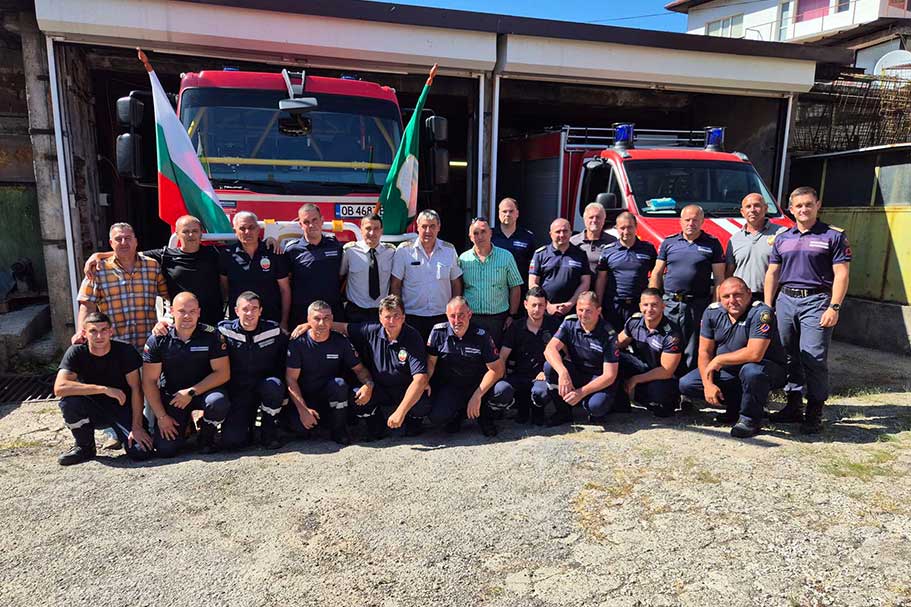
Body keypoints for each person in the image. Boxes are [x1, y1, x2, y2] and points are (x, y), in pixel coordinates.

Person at [764, 186, 851, 434]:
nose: (804, 209)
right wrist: (768, 305)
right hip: (786, 300)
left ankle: (814, 412)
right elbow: (772, 273)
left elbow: (841, 274)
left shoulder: (833, 236)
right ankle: (793, 405)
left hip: (816, 301)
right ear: (791, 209)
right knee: (788, 355)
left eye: (808, 204)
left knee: (813, 357)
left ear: (817, 205)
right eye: (799, 206)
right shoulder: (783, 238)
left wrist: (834, 306)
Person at [290, 295, 430, 440]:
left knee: (422, 402)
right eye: (387, 317)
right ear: (380, 318)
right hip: (379, 387)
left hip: (404, 387)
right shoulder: (371, 330)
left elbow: (420, 379)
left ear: (404, 317)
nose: (392, 321)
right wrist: (310, 325)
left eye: (396, 316)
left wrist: (400, 411)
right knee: (358, 395)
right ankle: (377, 427)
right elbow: (343, 327)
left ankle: (412, 423)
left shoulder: (412, 336)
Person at [679, 277, 787, 438]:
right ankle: (735, 408)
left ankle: (750, 420)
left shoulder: (761, 313)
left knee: (751, 372)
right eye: (726, 296)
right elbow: (704, 352)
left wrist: (719, 360)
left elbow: (755, 354)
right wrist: (708, 384)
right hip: (730, 371)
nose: (732, 300)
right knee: (688, 384)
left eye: (737, 295)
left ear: (749, 293)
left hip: (765, 369)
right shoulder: (712, 312)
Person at [83, 215, 224, 326]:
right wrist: (99, 255)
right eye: (185, 231)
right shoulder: (164, 255)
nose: (190, 235)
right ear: (177, 234)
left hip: (213, 320)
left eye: (194, 231)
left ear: (201, 233)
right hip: (181, 324)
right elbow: (129, 253)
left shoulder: (215, 253)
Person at [53, 311, 154, 465]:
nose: (99, 336)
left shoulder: (125, 351)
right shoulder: (76, 352)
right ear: (84, 333)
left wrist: (137, 427)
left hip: (122, 407)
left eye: (103, 330)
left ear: (110, 332)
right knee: (69, 402)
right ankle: (85, 447)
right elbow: (59, 387)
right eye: (93, 331)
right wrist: (104, 389)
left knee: (141, 452)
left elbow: (136, 389)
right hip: (92, 408)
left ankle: (126, 435)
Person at [142, 292, 232, 457]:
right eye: (182, 311)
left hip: (203, 392)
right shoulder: (158, 340)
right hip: (174, 397)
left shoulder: (212, 336)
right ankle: (185, 428)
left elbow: (223, 373)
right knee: (166, 450)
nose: (187, 316)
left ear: (199, 312)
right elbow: (149, 381)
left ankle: (206, 436)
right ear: (172, 311)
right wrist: (162, 417)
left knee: (217, 402)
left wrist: (191, 392)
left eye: (192, 311)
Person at [284, 300, 375, 445]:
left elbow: (359, 369)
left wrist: (368, 385)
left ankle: (339, 430)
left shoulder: (340, 341)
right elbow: (291, 379)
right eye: (317, 318)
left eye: (326, 318)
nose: (322, 323)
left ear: (332, 319)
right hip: (306, 398)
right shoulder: (298, 342)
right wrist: (303, 410)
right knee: (300, 429)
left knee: (339, 384)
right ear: (308, 320)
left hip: (331, 396)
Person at [649, 205, 725, 372]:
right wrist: (653, 300)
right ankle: (663, 379)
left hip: (697, 304)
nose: (691, 223)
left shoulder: (712, 244)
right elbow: (656, 273)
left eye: (695, 220)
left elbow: (719, 278)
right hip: (670, 303)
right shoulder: (669, 242)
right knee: (667, 341)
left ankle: (687, 383)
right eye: (687, 220)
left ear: (702, 221)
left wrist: (715, 306)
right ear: (681, 221)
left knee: (693, 347)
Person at [75, 222, 169, 350]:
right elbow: (87, 305)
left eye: (128, 238)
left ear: (136, 241)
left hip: (148, 345)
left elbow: (168, 297)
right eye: (118, 239)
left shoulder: (152, 266)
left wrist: (165, 322)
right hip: (114, 346)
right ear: (111, 243)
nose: (124, 242)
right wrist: (81, 332)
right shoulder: (98, 269)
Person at [531, 291, 620, 427]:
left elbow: (610, 375)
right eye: (580, 310)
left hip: (598, 378)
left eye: (588, 310)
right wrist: (563, 372)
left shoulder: (608, 334)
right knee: (550, 367)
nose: (583, 314)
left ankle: (594, 406)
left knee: (596, 407)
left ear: (598, 311)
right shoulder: (570, 323)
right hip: (577, 372)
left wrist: (581, 393)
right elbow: (550, 349)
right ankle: (563, 412)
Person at [423, 296, 508, 436]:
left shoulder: (481, 335)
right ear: (446, 315)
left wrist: (477, 395)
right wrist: (425, 380)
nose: (457, 321)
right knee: (437, 417)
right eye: (452, 316)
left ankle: (485, 417)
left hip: (479, 385)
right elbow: (431, 362)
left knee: (504, 390)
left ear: (469, 314)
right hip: (452, 387)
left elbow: (497, 369)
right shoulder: (438, 332)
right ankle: (460, 415)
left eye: (461, 315)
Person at [217, 292, 288, 450]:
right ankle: (246, 427)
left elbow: (291, 347)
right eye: (245, 309)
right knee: (233, 441)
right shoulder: (223, 330)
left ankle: (268, 432)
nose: (250, 313)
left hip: (264, 387)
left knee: (275, 386)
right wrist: (165, 325)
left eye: (254, 308)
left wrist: (307, 326)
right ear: (236, 311)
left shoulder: (273, 330)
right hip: (239, 391)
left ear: (260, 311)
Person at [390, 209, 463, 340]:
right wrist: (398, 312)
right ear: (417, 227)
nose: (428, 231)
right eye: (424, 226)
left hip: (442, 316)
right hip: (412, 316)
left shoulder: (449, 250)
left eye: (432, 226)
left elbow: (456, 283)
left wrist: (455, 311)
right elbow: (395, 284)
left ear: (439, 227)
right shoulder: (404, 250)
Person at [493, 286, 559, 425]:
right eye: (533, 305)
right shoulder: (516, 327)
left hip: (541, 378)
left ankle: (538, 410)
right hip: (519, 375)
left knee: (540, 393)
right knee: (501, 389)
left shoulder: (553, 326)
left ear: (546, 305)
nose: (537, 309)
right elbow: (503, 356)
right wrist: (501, 374)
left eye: (540, 305)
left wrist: (547, 372)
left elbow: (564, 354)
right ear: (525, 304)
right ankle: (518, 408)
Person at [615, 288, 683, 418]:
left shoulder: (672, 334)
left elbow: (666, 371)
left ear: (663, 306)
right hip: (641, 366)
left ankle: (669, 400)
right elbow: (617, 344)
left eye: (654, 305)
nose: (649, 309)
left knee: (658, 397)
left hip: (662, 374)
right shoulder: (634, 322)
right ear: (640, 306)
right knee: (614, 358)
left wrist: (635, 379)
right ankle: (619, 401)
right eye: (645, 305)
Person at [219, 211, 291, 329]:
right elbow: (225, 289)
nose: (247, 232)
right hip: (239, 324)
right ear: (235, 231)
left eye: (251, 227)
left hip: (271, 321)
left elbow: (285, 290)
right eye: (242, 228)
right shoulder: (227, 255)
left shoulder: (274, 252)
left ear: (258, 229)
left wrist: (284, 321)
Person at [458, 216, 523, 345]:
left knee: (495, 355)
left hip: (498, 320)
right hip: (471, 318)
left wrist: (512, 315)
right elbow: (458, 287)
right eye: (475, 233)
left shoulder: (506, 257)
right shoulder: (463, 259)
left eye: (483, 232)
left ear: (491, 233)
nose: (480, 236)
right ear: (470, 237)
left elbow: (515, 286)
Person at [595, 211, 657, 331]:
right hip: (613, 305)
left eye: (630, 227)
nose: (626, 231)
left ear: (636, 227)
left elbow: (656, 275)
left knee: (639, 339)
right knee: (614, 339)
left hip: (639, 305)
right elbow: (601, 279)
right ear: (616, 229)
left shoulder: (648, 249)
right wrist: (598, 304)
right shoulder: (608, 251)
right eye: (622, 228)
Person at [284, 203, 344, 324]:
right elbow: (286, 283)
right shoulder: (292, 250)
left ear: (322, 220)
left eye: (315, 220)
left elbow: (344, 276)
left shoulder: (336, 246)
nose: (311, 225)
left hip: (332, 313)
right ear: (300, 225)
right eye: (306, 222)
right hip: (303, 314)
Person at [725, 193, 786, 302]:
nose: (752, 210)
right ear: (742, 212)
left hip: (772, 297)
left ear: (765, 208)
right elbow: (729, 271)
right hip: (740, 298)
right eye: (748, 207)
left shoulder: (781, 234)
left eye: (757, 205)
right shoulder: (734, 239)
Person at [529, 218, 592, 319]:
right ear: (551, 234)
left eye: (565, 231)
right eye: (558, 231)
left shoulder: (580, 254)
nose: (562, 235)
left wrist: (570, 303)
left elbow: (585, 283)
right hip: (545, 312)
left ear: (571, 232)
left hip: (572, 311)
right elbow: (533, 284)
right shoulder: (540, 254)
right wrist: (546, 305)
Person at [340, 214, 396, 323]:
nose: (372, 233)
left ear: (381, 231)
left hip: (382, 311)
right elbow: (341, 276)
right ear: (361, 230)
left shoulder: (391, 252)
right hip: (355, 311)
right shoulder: (350, 251)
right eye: (368, 228)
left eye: (376, 229)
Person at [491, 197, 536, 284]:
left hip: (520, 286)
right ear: (499, 214)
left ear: (517, 213)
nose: (507, 214)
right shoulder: (490, 235)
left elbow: (533, 266)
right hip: (494, 286)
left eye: (511, 211)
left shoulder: (527, 237)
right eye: (504, 211)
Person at [569, 202, 617, 273]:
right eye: (591, 217)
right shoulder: (573, 241)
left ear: (604, 220)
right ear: (585, 220)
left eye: (598, 217)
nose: (594, 220)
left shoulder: (612, 242)